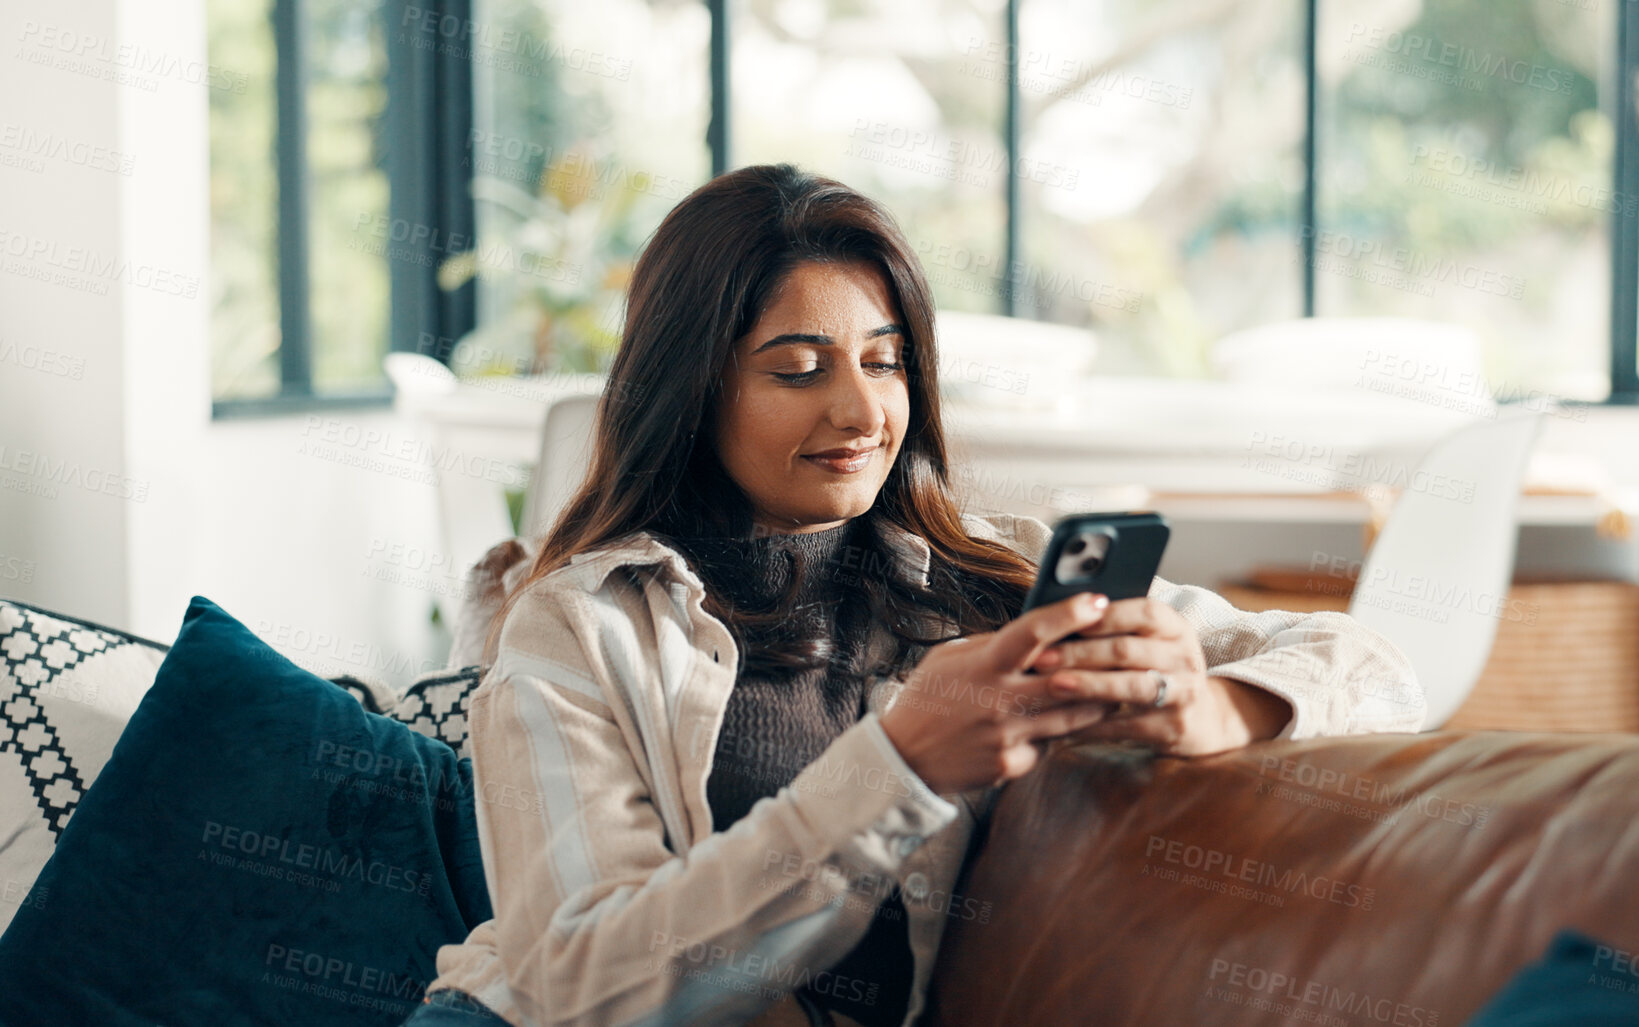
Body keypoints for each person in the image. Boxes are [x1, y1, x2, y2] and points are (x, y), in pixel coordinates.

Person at [399, 164, 1424, 1027]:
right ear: (693, 387)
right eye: (798, 369)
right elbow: (581, 980)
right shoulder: (585, 621)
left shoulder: (990, 578)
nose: (860, 410)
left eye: (886, 362)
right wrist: (903, 762)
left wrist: (1214, 704)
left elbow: (1382, 671)